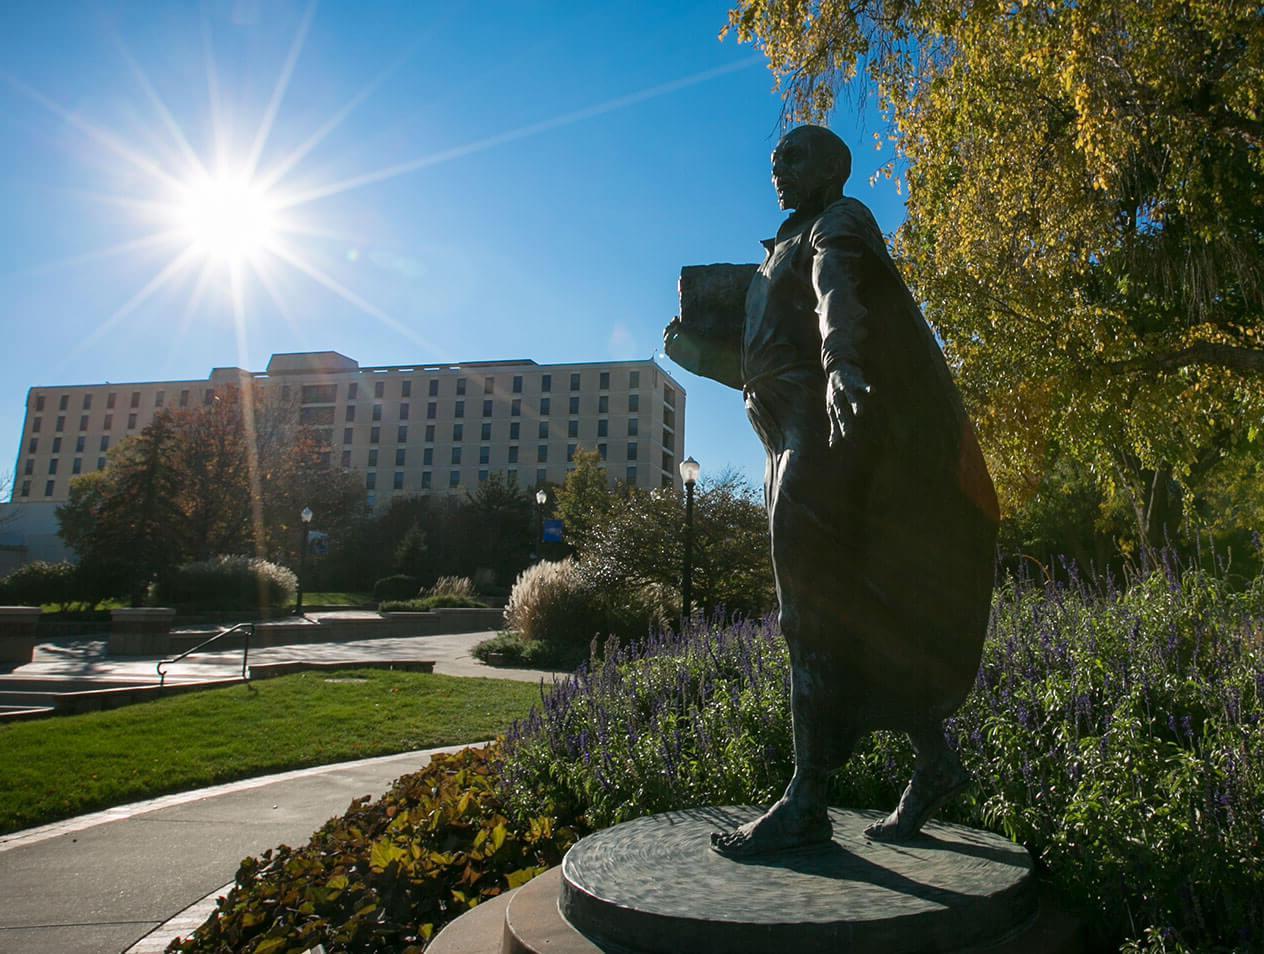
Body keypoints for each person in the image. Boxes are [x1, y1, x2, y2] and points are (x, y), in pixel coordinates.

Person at [665, 125, 999, 855]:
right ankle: (935, 761)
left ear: (832, 169)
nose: (777, 168)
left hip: (818, 442)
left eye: (794, 157)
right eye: (775, 157)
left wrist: (843, 361)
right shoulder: (775, 250)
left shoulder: (837, 223)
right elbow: (763, 357)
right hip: (782, 445)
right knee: (846, 612)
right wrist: (699, 347)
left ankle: (805, 799)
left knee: (807, 619)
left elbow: (835, 291)